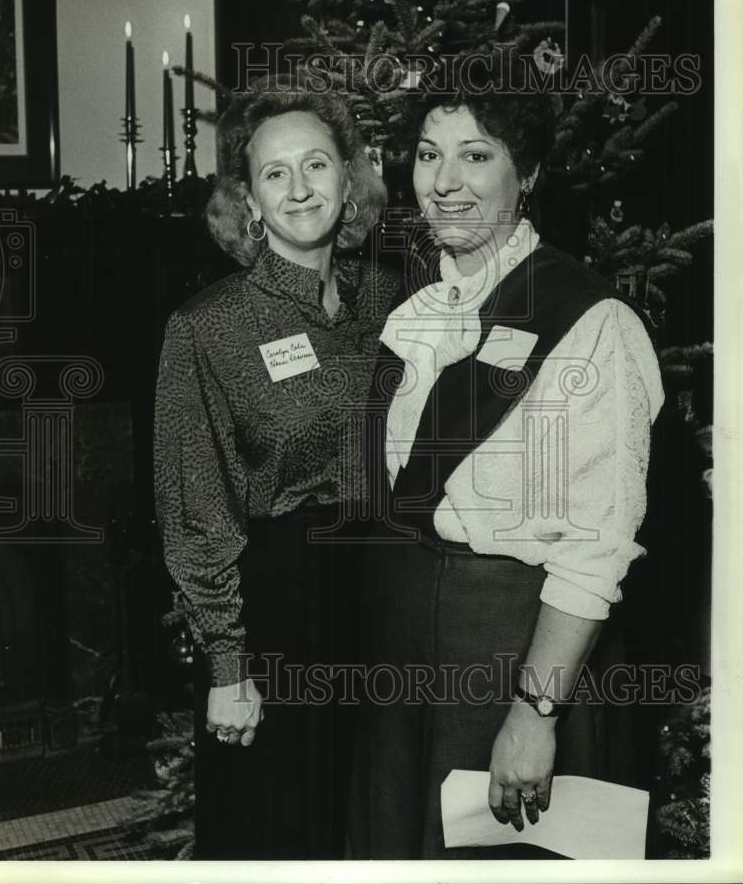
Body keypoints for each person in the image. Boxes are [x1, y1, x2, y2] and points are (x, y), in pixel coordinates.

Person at [347, 79, 665, 859]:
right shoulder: (410, 314)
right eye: (428, 155)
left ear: (525, 177)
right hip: (406, 654)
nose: (443, 181)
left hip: (517, 650)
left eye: (474, 156)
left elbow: (593, 545)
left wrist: (534, 714)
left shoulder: (590, 323)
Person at [154, 78, 400, 859]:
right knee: (280, 832)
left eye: (317, 165)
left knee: (371, 822)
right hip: (279, 611)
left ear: (349, 181)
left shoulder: (395, 301)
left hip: (387, 595)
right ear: (247, 202)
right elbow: (196, 507)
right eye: (274, 173)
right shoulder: (207, 327)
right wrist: (228, 664)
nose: (299, 189)